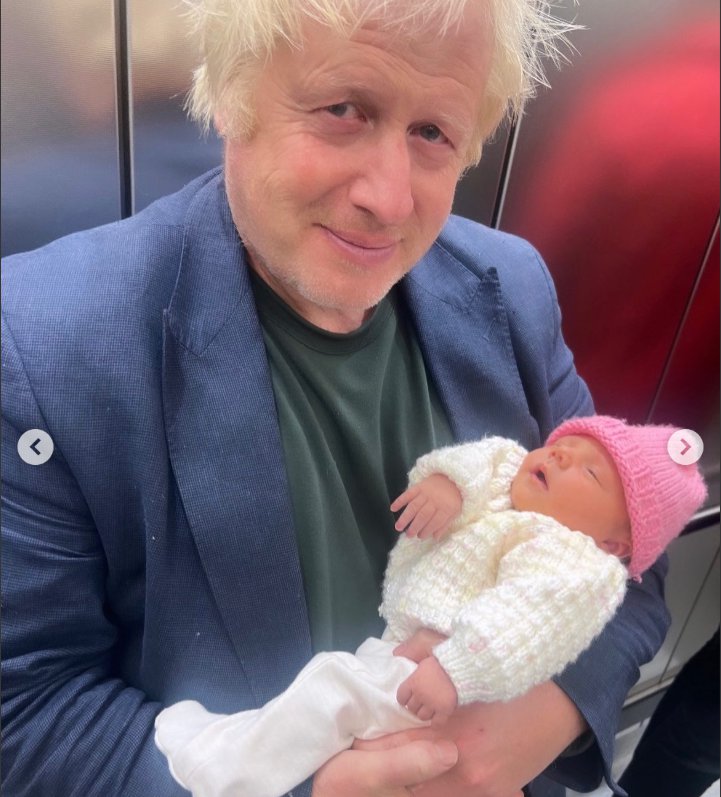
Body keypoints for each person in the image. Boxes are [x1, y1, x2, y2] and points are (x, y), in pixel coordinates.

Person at [0, 2, 674, 796]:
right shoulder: (44, 345)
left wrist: (543, 716)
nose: (388, 199)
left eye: (432, 132)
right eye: (343, 110)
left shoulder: (510, 288)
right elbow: (26, 710)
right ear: (232, 94)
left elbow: (634, 541)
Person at [152, 416, 706, 797]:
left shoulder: (575, 563)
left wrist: (456, 670)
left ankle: (228, 773)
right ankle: (236, 747)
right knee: (330, 697)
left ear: (614, 545)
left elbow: (521, 622)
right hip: (405, 652)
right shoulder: (514, 485)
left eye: (590, 471)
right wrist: (448, 484)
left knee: (333, 689)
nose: (560, 453)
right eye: (568, 443)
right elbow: (487, 459)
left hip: (445, 685)